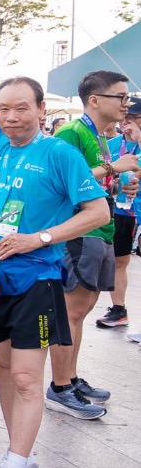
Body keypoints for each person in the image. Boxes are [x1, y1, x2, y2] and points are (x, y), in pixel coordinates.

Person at [0, 10, 108, 468]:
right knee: (3, 370)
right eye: (4, 109)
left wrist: (37, 238)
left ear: (41, 110)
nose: (10, 116)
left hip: (37, 278)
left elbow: (97, 212)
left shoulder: (59, 153)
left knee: (26, 378)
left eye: (22, 108)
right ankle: (18, 459)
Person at [46, 69, 138, 418]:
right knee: (70, 311)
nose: (126, 104)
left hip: (99, 230)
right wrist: (114, 167)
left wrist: (118, 182)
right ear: (95, 100)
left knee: (81, 310)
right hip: (78, 231)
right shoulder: (71, 131)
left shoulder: (96, 134)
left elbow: (93, 181)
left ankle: (70, 378)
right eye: (121, 97)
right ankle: (59, 387)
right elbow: (62, 181)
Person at [100, 97, 141, 328]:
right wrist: (114, 180)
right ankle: (118, 309)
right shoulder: (111, 145)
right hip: (122, 210)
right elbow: (104, 174)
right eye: (126, 116)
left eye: (135, 117)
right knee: (119, 260)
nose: (128, 121)